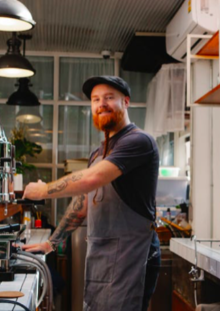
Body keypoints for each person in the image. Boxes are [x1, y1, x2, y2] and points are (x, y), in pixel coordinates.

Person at [21, 76, 161, 311]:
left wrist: (44, 190)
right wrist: (52, 243)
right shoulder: (99, 152)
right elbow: (82, 203)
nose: (101, 104)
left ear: (126, 102)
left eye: (109, 98)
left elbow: (91, 179)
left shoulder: (138, 141)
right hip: (103, 254)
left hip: (131, 256)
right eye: (96, 99)